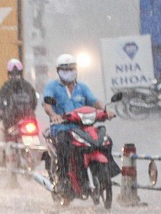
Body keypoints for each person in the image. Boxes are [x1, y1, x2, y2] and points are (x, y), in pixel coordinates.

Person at [42, 53, 111, 190]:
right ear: (58, 71)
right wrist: (54, 115)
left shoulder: (82, 88)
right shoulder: (52, 86)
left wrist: (105, 110)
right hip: (62, 128)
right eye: (64, 69)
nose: (68, 72)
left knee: (105, 140)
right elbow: (47, 104)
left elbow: (94, 101)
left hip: (82, 128)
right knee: (63, 144)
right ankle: (62, 177)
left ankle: (107, 172)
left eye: (71, 69)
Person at [0, 58, 37, 142]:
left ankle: (2, 152)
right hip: (29, 119)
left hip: (11, 121)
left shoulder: (7, 86)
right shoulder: (28, 86)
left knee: (0, 127)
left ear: (8, 73)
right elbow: (34, 103)